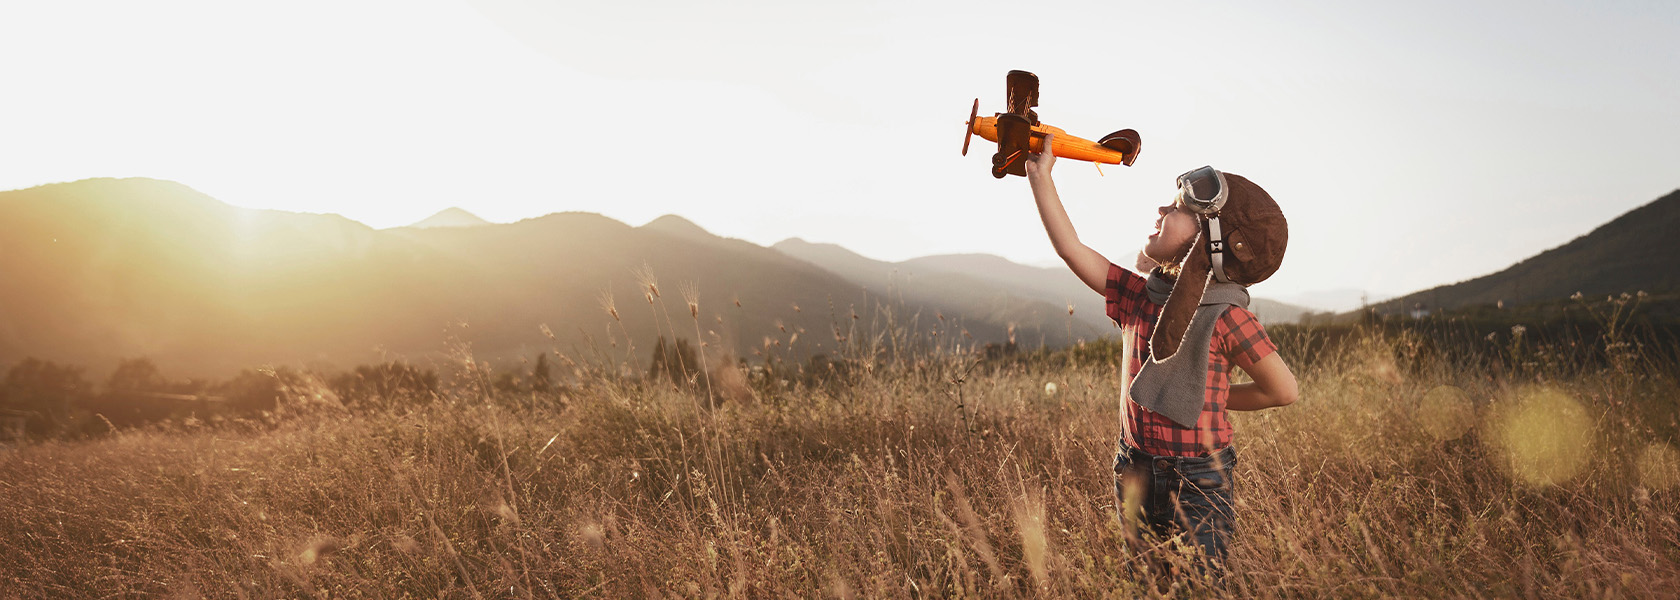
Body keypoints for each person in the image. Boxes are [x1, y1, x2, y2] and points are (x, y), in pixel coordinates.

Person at [1024, 134, 1299, 581]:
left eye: (1176, 210)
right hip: (1133, 466)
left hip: (1199, 481)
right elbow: (1072, 249)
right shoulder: (1140, 296)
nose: (1161, 211)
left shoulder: (1226, 318)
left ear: (1211, 241)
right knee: (1143, 582)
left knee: (1197, 585)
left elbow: (1283, 390)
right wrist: (1041, 178)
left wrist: (1218, 397)